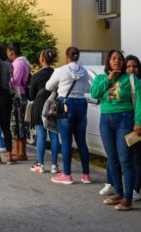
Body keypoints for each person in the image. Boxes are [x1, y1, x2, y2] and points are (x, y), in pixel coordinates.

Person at [90, 49, 141, 211]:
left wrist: (138, 122)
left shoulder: (131, 78)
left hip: (125, 119)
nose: (117, 61)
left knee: (125, 159)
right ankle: (119, 194)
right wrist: (109, 79)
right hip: (106, 120)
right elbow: (95, 94)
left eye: (120, 59)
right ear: (108, 62)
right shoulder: (101, 78)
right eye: (114, 58)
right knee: (112, 159)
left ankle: (128, 199)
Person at [100, 55, 141, 200]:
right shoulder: (119, 81)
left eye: (134, 66)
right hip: (125, 125)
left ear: (139, 68)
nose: (131, 69)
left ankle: (134, 190)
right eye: (128, 66)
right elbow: (113, 102)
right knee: (118, 157)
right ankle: (112, 186)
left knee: (136, 159)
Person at [46, 46, 92, 185]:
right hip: (81, 104)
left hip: (65, 104)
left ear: (67, 57)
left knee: (66, 141)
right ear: (78, 57)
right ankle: (86, 176)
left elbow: (48, 86)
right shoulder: (84, 71)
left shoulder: (61, 70)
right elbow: (89, 88)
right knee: (81, 142)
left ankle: (67, 175)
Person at [28, 49, 59, 174]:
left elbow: (31, 96)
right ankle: (54, 166)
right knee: (54, 134)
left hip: (40, 106)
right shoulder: (57, 73)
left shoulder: (36, 76)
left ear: (42, 59)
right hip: (53, 106)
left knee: (41, 134)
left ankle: (40, 164)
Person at [7, 42, 31, 161]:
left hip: (18, 96)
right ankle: (17, 150)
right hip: (20, 94)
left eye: (8, 51)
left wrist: (4, 80)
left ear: (11, 51)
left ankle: (21, 152)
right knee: (16, 124)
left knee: (18, 123)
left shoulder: (18, 63)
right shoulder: (22, 62)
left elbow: (14, 80)